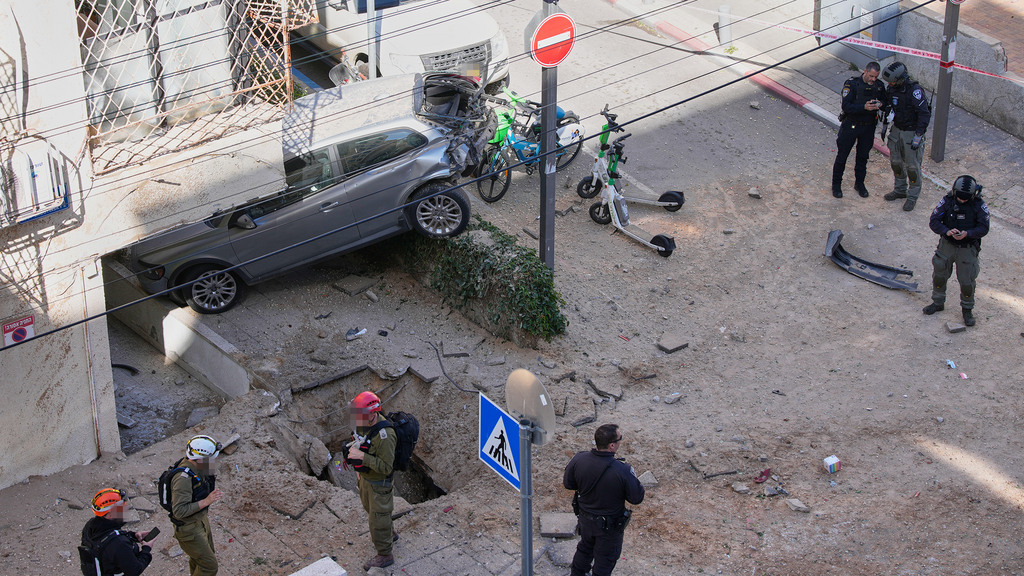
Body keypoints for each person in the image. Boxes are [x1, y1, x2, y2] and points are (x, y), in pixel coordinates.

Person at [563, 424, 645, 576]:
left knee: (584, 549)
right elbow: (636, 498)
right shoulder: (622, 470)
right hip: (609, 527)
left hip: (585, 519)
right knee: (604, 561)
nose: (621, 442)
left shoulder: (579, 458)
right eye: (619, 439)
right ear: (612, 445)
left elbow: (568, 484)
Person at [923, 175, 990, 326]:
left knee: (967, 282)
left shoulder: (978, 205)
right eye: (960, 198)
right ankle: (938, 302)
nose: (962, 200)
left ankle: (967, 310)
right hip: (947, 245)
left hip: (967, 248)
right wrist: (946, 231)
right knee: (940, 275)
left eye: (966, 198)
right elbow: (934, 221)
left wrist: (968, 234)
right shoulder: (947, 201)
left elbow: (984, 227)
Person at [345, 391, 398, 571]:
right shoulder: (363, 423)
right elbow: (358, 439)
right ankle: (389, 532)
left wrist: (362, 457)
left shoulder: (385, 436)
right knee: (374, 512)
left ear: (372, 415)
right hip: (366, 479)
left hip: (378, 484)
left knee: (377, 519)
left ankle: (385, 554)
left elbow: (386, 467)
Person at [880, 61, 932, 211]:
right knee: (896, 163)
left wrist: (918, 135)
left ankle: (912, 196)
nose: (889, 84)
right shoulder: (892, 89)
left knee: (912, 167)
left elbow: (924, 114)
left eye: (892, 81)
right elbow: (889, 105)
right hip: (897, 129)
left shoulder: (914, 91)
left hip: (911, 132)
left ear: (901, 78)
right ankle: (900, 190)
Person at [170, 435, 224, 576]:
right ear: (199, 459)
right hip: (189, 528)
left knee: (200, 560)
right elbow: (179, 511)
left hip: (199, 520)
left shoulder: (196, 467)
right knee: (209, 566)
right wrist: (206, 501)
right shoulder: (183, 479)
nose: (215, 459)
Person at [831, 61, 886, 198]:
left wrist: (880, 104)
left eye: (876, 77)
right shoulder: (852, 85)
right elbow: (846, 106)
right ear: (865, 71)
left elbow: (885, 103)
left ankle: (859, 184)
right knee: (842, 156)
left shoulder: (879, 86)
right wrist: (864, 107)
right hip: (851, 125)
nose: (873, 79)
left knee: (863, 157)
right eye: (871, 76)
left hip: (868, 127)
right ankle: (836, 185)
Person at [81, 488, 157, 576]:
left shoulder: (90, 525)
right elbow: (135, 570)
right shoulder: (120, 544)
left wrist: (133, 536)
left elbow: (107, 540)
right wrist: (146, 549)